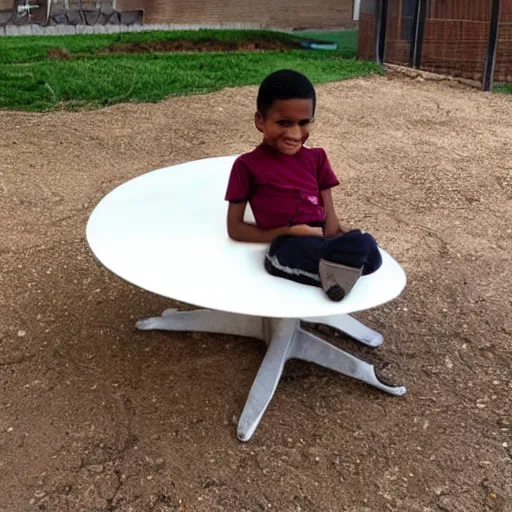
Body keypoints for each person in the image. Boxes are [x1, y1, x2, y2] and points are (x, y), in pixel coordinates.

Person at [224, 69, 381, 301]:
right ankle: (336, 273)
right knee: (301, 252)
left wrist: (337, 232)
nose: (295, 133)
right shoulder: (246, 165)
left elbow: (329, 213)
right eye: (283, 123)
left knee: (366, 245)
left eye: (304, 123)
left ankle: (335, 272)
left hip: (320, 240)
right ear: (260, 120)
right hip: (287, 243)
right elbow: (235, 229)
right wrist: (289, 231)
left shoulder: (316, 157)